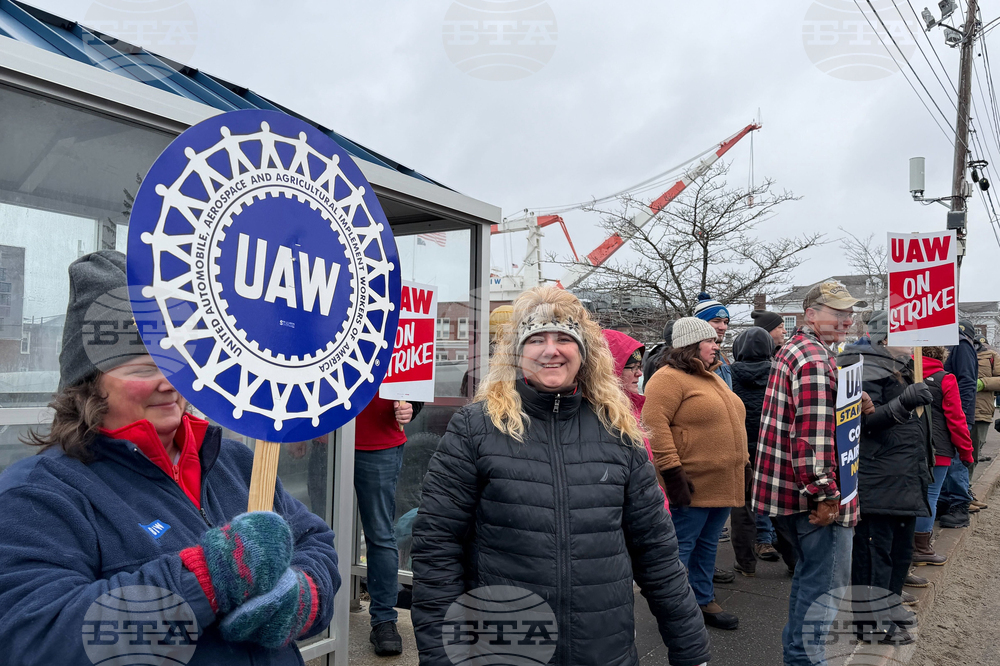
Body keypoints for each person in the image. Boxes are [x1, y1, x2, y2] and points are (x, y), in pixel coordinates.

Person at [0, 251, 340, 665]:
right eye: (143, 369)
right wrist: (205, 578)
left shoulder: (234, 461)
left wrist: (303, 594)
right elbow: (39, 637)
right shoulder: (40, 495)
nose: (168, 382)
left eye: (174, 360)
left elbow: (314, 542)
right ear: (87, 385)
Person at [410, 286, 710, 666]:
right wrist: (439, 656)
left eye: (564, 338)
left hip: (604, 651)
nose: (551, 350)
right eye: (536, 338)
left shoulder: (618, 430)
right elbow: (437, 549)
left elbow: (657, 553)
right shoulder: (476, 428)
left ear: (583, 353)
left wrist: (691, 649)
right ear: (518, 353)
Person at [752, 279, 863, 666]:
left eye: (849, 313)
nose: (847, 320)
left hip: (792, 489)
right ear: (810, 314)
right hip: (815, 495)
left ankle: (800, 657)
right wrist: (826, 493)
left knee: (810, 582)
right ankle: (806, 660)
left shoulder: (798, 350)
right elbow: (812, 435)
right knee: (824, 588)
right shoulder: (816, 359)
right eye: (838, 312)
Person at [643, 317, 749, 631]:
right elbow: (654, 428)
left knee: (708, 544)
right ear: (692, 344)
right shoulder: (666, 379)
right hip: (692, 482)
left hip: (723, 481)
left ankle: (702, 600)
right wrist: (673, 473)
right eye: (711, 341)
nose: (717, 345)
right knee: (681, 547)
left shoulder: (712, 377)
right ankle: (675, 606)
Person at [838, 312, 934, 645]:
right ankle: (869, 624)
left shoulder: (906, 368)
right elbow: (861, 423)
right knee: (873, 556)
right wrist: (905, 402)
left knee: (899, 553)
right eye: (909, 336)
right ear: (885, 340)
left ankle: (888, 610)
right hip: (877, 477)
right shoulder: (863, 368)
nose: (916, 344)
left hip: (905, 475)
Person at [354, 396, 422, 655]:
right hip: (328, 436)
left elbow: (414, 368)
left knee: (380, 534)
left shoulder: (394, 350)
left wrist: (411, 407)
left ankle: (384, 620)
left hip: (380, 440)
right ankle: (318, 610)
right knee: (319, 530)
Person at [728, 327, 784, 570]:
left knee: (742, 507)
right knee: (779, 505)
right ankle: (792, 559)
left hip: (742, 449)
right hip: (772, 446)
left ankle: (746, 563)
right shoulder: (779, 373)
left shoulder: (728, 374)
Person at [603, 329, 668, 511]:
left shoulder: (630, 409)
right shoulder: (604, 416)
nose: (639, 373)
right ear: (609, 369)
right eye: (631, 367)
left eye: (639, 367)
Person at [920, 346, 976, 532]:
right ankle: (922, 545)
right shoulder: (945, 378)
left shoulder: (903, 374)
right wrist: (966, 453)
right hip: (938, 448)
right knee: (931, 496)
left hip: (906, 448)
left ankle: (904, 544)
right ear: (942, 357)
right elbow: (956, 421)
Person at [939, 320, 982, 522]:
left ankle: (959, 504)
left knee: (956, 460)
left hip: (957, 412)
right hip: (944, 412)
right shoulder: (944, 340)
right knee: (946, 458)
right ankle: (946, 502)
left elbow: (967, 381)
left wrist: (962, 414)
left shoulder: (960, 343)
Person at [693, 292, 733, 388]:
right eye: (716, 321)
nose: (723, 327)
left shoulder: (721, 357)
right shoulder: (689, 359)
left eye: (725, 322)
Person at [974, 335, 1000, 473]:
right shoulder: (958, 352)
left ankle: (966, 486)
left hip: (981, 409)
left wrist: (983, 383)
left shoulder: (992, 356)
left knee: (975, 448)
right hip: (956, 407)